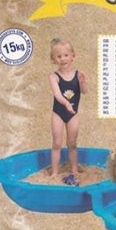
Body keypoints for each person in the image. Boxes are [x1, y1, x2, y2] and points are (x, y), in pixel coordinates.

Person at [48, 38, 86, 183]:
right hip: (58, 113)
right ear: (54, 59)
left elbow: (84, 91)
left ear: (72, 56)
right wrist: (66, 104)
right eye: (59, 56)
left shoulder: (78, 74)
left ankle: (74, 169)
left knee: (72, 143)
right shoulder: (54, 76)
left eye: (66, 55)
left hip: (73, 115)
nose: (63, 59)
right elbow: (58, 95)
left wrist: (82, 82)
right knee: (57, 143)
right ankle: (54, 171)